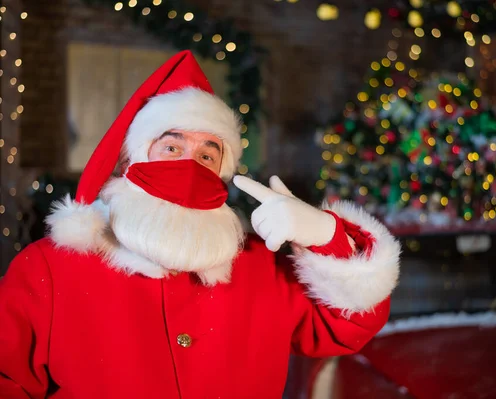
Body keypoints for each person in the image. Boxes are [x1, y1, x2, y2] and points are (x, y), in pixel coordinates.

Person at [0, 50, 400, 399]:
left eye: (208, 156)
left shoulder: (260, 265)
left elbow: (349, 327)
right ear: (129, 163)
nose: (190, 167)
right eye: (172, 148)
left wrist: (326, 237)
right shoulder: (50, 268)